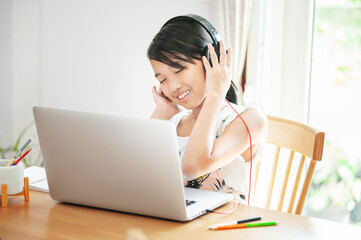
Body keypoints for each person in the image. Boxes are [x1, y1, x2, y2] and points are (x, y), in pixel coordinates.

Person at [147, 15, 267, 202]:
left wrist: (215, 95)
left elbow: (193, 166)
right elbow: (139, 175)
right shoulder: (175, 123)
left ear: (212, 61)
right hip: (177, 225)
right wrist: (162, 113)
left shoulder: (249, 119)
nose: (173, 86)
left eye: (179, 70)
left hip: (225, 227)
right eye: (162, 80)